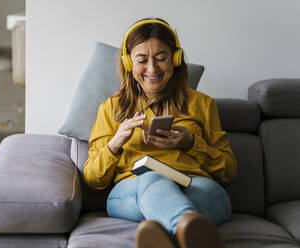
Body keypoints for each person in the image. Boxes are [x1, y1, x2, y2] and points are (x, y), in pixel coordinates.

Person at [83, 18, 238, 248]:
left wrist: (191, 143)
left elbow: (229, 171)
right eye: (142, 60)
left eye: (161, 58)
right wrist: (116, 143)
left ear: (175, 60)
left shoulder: (203, 104)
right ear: (128, 63)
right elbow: (92, 180)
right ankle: (187, 228)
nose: (152, 69)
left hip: (195, 186)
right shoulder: (111, 108)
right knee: (152, 179)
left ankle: (166, 236)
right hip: (133, 190)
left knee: (209, 194)